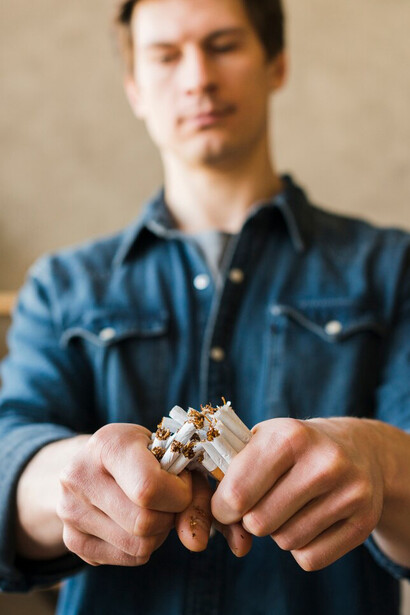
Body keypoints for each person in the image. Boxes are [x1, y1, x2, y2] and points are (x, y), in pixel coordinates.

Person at [0, 0, 409, 613]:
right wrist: (62, 476)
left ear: (276, 64)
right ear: (134, 87)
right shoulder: (61, 285)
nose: (197, 78)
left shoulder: (392, 266)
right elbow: (11, 444)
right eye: (166, 56)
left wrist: (381, 460)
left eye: (222, 45)